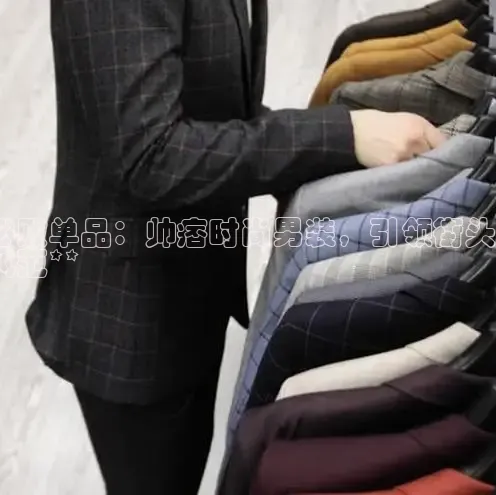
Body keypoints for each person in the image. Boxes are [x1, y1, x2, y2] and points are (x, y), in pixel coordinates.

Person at [26, 0, 447, 493]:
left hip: (188, 282)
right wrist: (340, 136)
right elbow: (151, 155)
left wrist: (334, 156)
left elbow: (214, 106)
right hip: (129, 311)